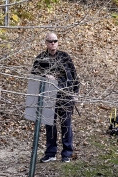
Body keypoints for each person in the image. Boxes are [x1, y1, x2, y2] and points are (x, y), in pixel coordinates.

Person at [32, 32, 79, 163]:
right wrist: (45, 77)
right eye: (50, 41)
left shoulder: (65, 57)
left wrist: (75, 93)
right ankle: (51, 153)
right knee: (50, 126)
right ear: (46, 43)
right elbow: (34, 78)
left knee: (66, 125)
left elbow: (74, 76)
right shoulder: (41, 59)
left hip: (65, 96)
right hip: (48, 98)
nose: (53, 43)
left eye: (55, 41)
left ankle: (67, 154)